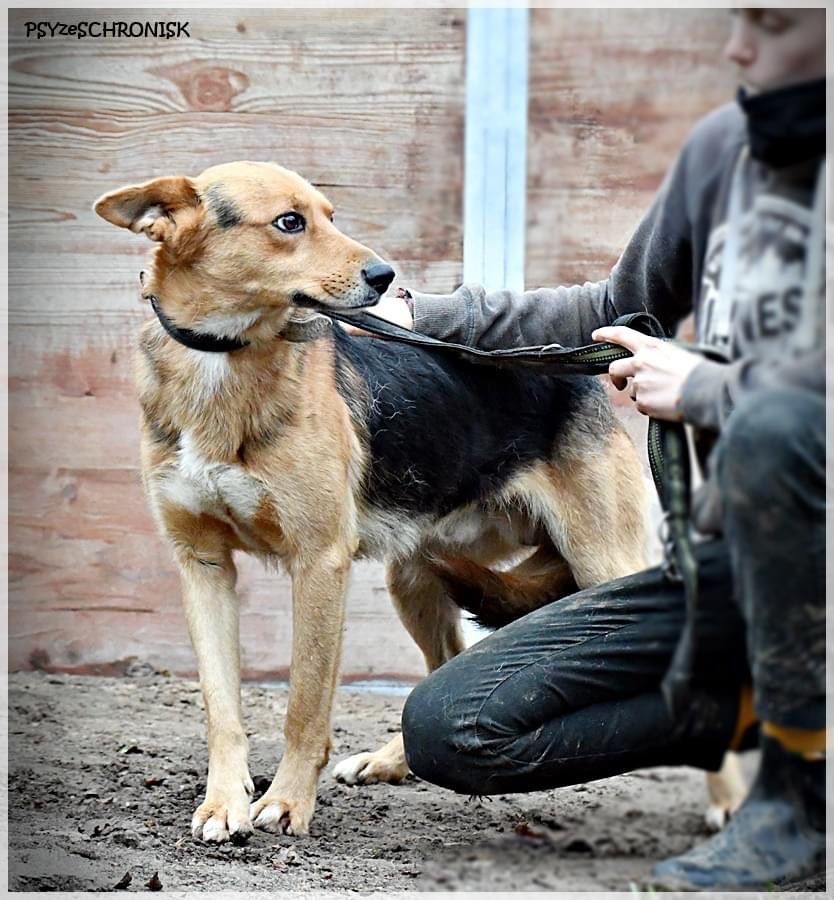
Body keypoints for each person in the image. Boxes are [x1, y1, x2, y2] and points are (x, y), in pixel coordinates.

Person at [356, 8, 827, 890]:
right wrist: (424, 320)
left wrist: (708, 390)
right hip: (732, 574)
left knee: (773, 426)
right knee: (450, 728)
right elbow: (612, 313)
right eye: (737, 19)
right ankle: (748, 711)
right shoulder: (727, 148)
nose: (737, 46)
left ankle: (800, 800)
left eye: (771, 22)